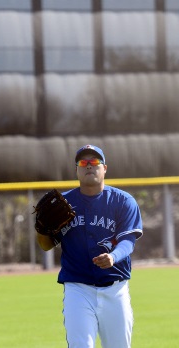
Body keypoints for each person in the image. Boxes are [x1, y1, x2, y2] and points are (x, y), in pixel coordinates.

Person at [36, 144, 143, 348]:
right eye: (83, 162)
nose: (89, 166)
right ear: (76, 169)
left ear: (105, 168)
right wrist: (41, 230)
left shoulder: (123, 202)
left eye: (94, 162)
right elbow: (46, 245)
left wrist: (113, 256)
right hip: (78, 289)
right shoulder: (62, 203)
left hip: (115, 289)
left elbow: (128, 241)